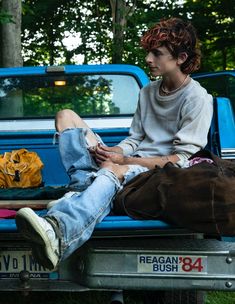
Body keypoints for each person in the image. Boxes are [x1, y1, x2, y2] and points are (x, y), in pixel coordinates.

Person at [15, 17, 213, 270]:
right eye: (148, 52)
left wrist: (124, 161)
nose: (148, 60)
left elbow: (181, 158)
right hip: (128, 163)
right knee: (66, 116)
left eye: (157, 53)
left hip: (159, 172)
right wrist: (114, 150)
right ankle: (84, 187)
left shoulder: (198, 98)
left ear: (181, 58)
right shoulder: (148, 91)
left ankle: (59, 232)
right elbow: (135, 139)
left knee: (113, 169)